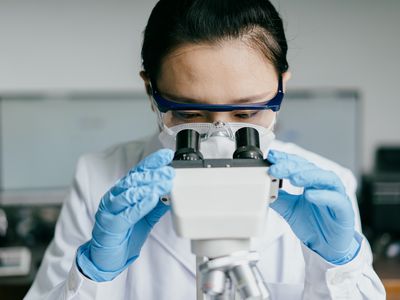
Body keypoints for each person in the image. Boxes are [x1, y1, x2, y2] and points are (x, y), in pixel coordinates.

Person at [25, 0, 385, 299]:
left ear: (281, 87)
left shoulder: (327, 185)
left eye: (246, 113)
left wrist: (339, 266)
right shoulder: (98, 178)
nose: (219, 138)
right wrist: (95, 274)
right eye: (188, 113)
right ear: (151, 91)